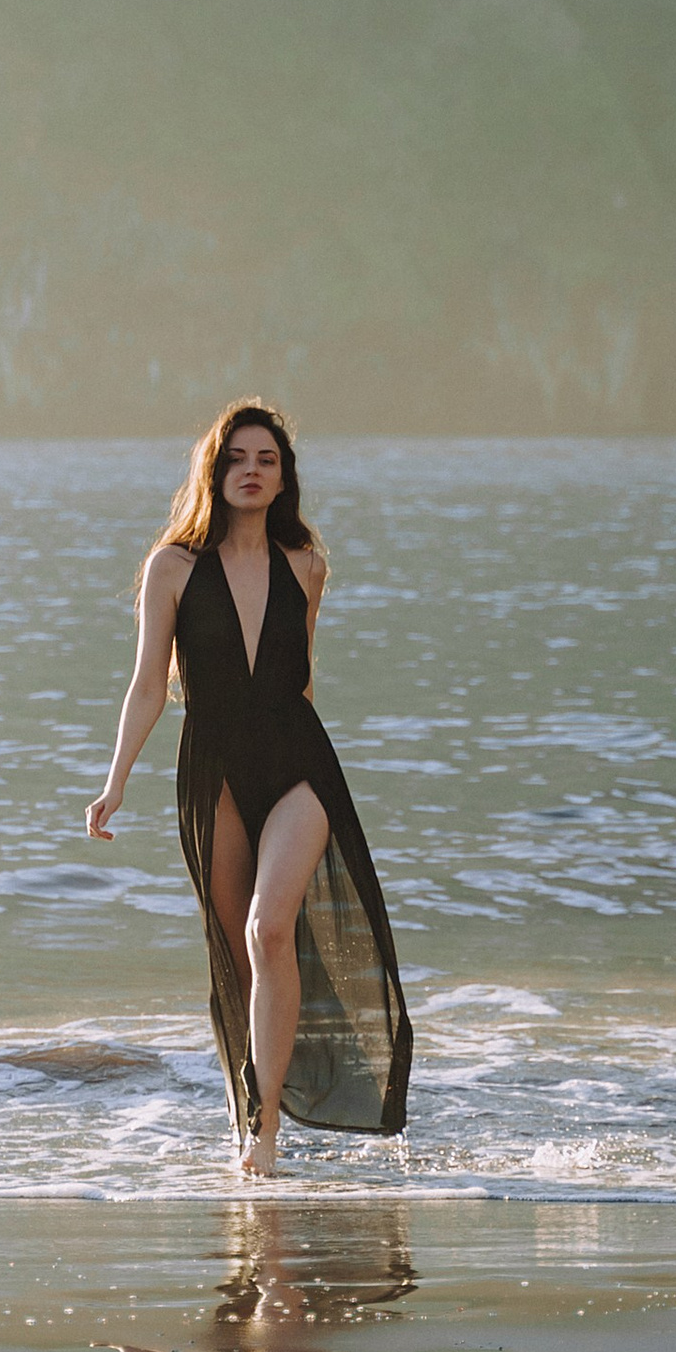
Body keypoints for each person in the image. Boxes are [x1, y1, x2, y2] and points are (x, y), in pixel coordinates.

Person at [87, 401, 412, 1173]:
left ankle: (264, 1136)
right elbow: (149, 685)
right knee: (238, 955)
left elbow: (300, 680)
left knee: (270, 930)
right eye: (237, 458)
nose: (251, 471)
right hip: (214, 767)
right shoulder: (171, 568)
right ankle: (250, 1112)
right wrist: (115, 782)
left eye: (266, 459)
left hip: (299, 764)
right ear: (214, 470)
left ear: (284, 476)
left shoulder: (306, 566)